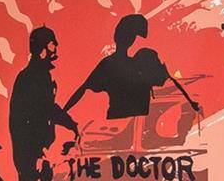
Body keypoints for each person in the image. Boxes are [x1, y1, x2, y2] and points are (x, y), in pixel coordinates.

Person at [7, 26, 79, 181]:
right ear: (42, 47)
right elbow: (45, 109)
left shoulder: (39, 75)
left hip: (38, 148)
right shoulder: (33, 77)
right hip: (31, 149)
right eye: (52, 43)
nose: (56, 46)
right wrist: (70, 124)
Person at [68, 14, 202, 120]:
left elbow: (168, 79)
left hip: (132, 122)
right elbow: (83, 89)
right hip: (123, 123)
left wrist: (191, 102)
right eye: (130, 35)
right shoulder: (125, 62)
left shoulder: (137, 60)